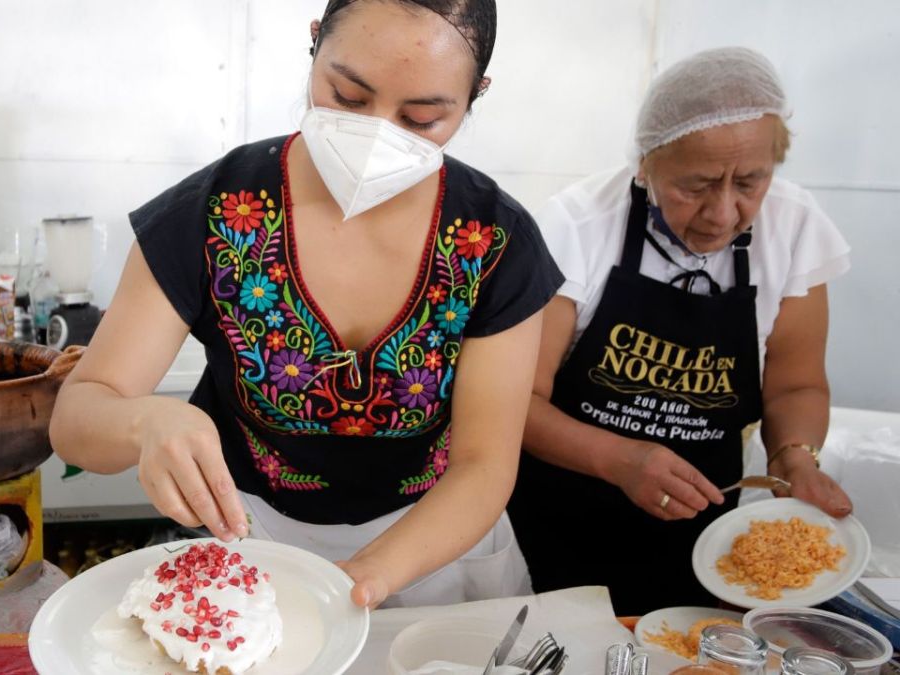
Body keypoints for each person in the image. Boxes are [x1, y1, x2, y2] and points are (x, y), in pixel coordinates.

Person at [50, 0, 563, 609]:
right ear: (315, 43)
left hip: (437, 554)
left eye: (421, 117)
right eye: (347, 97)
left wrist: (361, 580)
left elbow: (484, 466)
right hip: (249, 544)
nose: (378, 134)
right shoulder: (213, 215)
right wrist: (146, 422)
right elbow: (77, 420)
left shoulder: (494, 242)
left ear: (474, 94)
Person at [507, 47, 854, 614]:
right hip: (555, 520)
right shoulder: (575, 226)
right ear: (646, 164)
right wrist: (620, 459)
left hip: (706, 534)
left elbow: (795, 387)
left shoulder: (795, 228)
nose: (722, 213)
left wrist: (795, 459)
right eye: (694, 186)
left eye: (749, 181)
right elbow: (516, 401)